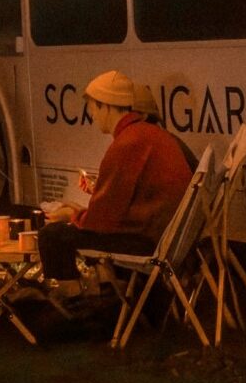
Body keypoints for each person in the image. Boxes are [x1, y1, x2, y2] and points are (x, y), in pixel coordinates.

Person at [38, 70, 194, 298]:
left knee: (52, 235)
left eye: (93, 107)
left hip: (146, 241)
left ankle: (71, 297)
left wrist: (70, 216)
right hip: (163, 235)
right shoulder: (150, 134)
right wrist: (80, 211)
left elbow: (102, 222)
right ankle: (103, 289)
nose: (91, 115)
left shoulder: (128, 143)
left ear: (107, 106)